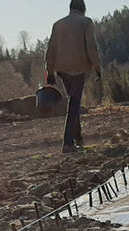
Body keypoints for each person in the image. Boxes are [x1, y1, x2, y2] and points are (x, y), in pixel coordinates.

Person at [45, 0, 102, 154]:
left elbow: (50, 50)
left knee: (73, 101)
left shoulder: (58, 24)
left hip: (62, 70)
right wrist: (98, 68)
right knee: (74, 103)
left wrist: (49, 72)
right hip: (79, 69)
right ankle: (68, 142)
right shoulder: (86, 23)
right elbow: (91, 47)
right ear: (83, 9)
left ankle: (78, 138)